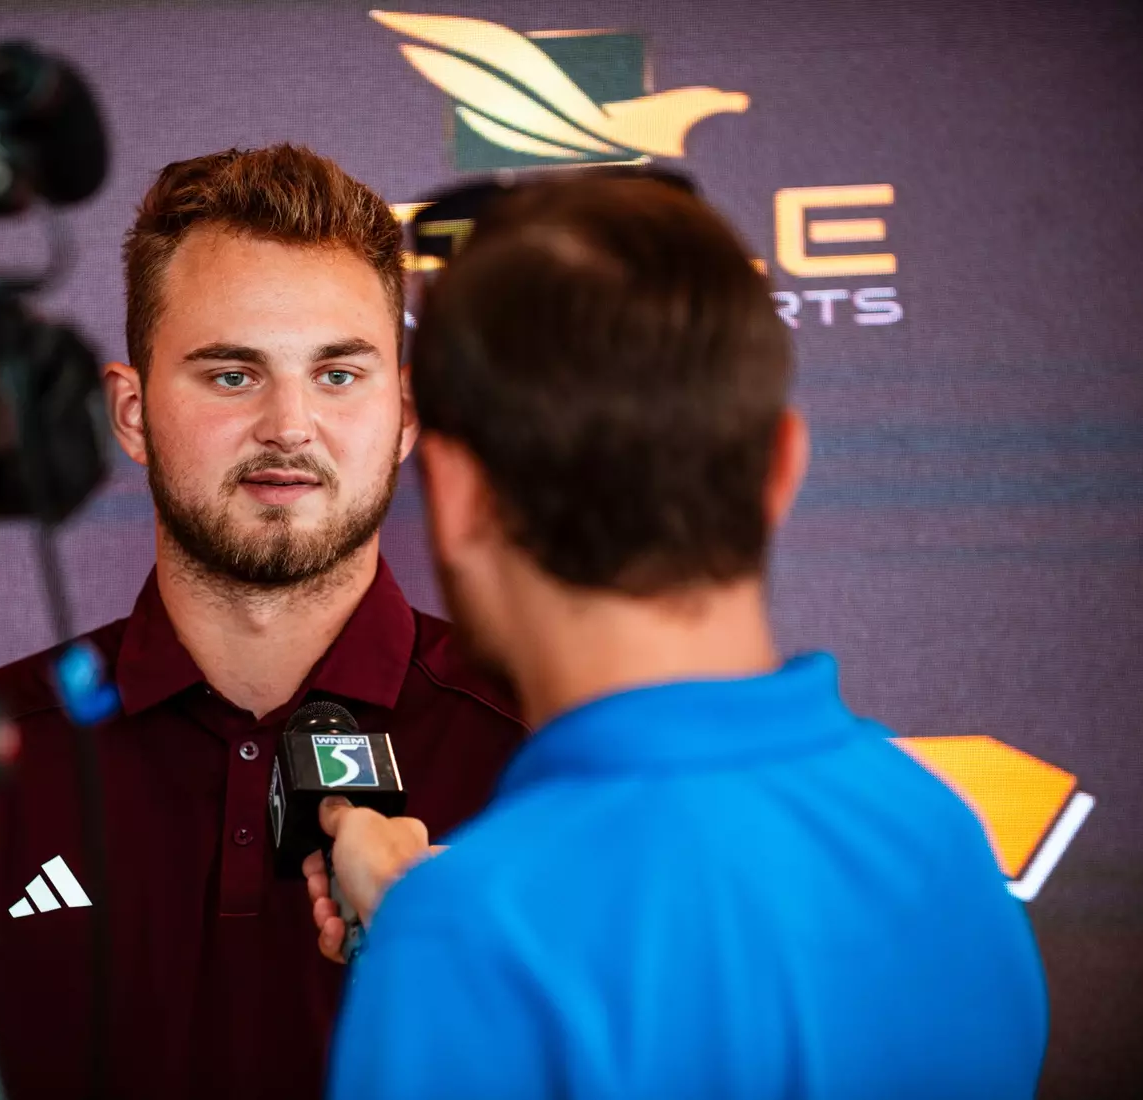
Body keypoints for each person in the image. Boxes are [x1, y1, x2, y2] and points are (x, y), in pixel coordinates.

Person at [307, 175, 1049, 1098]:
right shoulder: (940, 839)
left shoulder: (475, 940)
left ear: (457, 496)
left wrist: (427, 933)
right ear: (784, 464)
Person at [0, 144, 525, 1100]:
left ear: (406, 414)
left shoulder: (539, 749)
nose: (289, 426)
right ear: (130, 412)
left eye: (338, 376)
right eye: (230, 375)